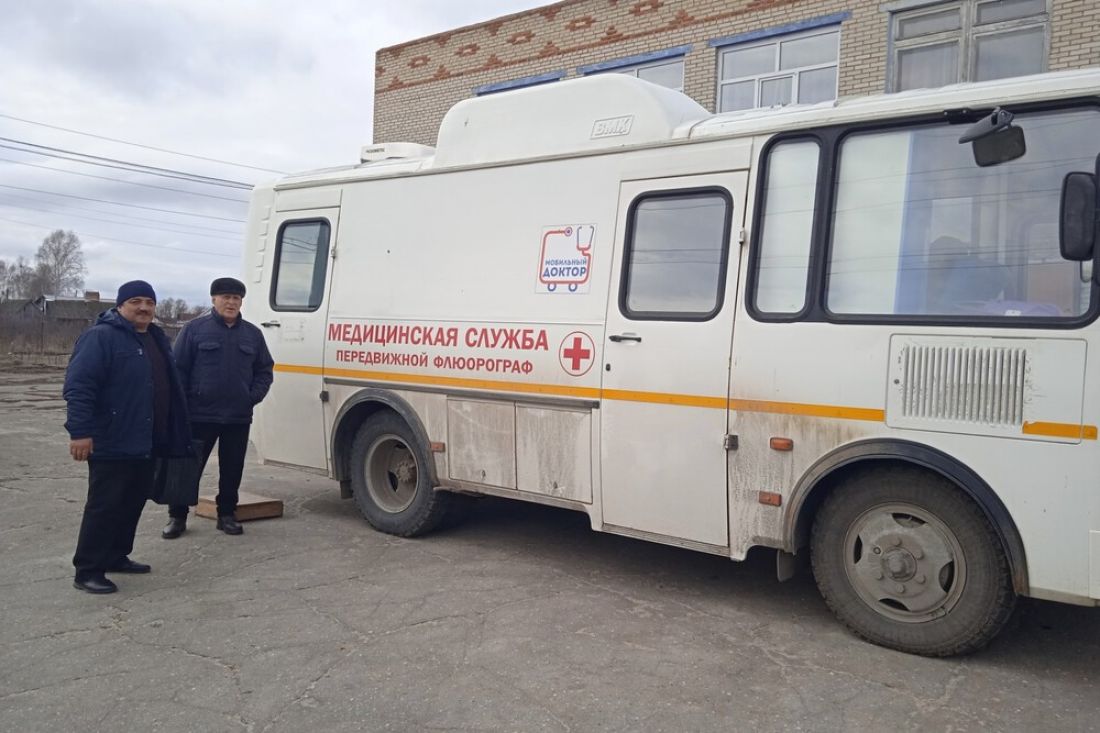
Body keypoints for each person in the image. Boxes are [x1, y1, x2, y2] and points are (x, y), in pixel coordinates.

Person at [64, 280, 191, 594]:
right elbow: (79, 387)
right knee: (105, 505)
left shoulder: (156, 338)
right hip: (113, 439)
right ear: (120, 305)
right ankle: (88, 570)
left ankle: (116, 556)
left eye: (149, 302)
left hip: (148, 439)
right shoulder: (100, 337)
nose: (144, 308)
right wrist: (80, 432)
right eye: (136, 301)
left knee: (132, 502)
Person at [162, 277, 274, 538]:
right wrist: (184, 405)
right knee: (187, 467)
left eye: (236, 298)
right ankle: (177, 516)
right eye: (226, 297)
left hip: (237, 416)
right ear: (214, 299)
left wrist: (250, 397)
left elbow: (264, 370)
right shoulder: (194, 330)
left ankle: (226, 515)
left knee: (232, 469)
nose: (231, 302)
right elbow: (178, 370)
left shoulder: (252, 334)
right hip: (199, 415)